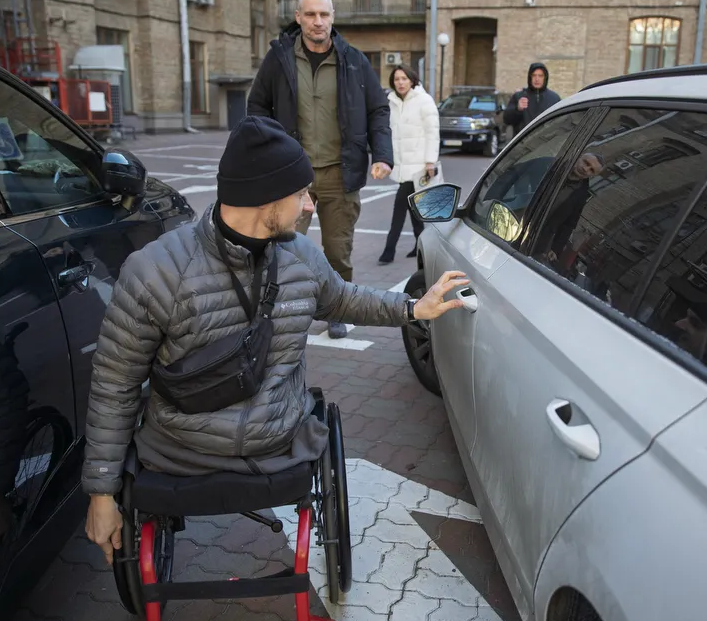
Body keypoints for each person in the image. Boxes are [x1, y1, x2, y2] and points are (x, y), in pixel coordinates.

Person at [82, 116, 468, 565]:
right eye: (301, 194)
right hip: (231, 451)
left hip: (206, 451)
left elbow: (343, 300)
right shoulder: (156, 271)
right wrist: (101, 493)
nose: (309, 206)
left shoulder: (296, 256)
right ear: (267, 197)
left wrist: (412, 308)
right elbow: (115, 383)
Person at [246, 0, 393, 339]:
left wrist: (383, 155)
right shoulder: (279, 58)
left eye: (324, 14)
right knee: (281, 247)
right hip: (291, 176)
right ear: (298, 17)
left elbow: (378, 109)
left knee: (338, 252)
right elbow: (257, 106)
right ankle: (277, 311)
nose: (317, 21)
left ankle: (337, 310)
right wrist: (265, 153)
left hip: (341, 174)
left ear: (332, 17)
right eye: (310, 14)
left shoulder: (354, 60)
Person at [379, 64, 440, 264]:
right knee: (414, 209)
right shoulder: (392, 102)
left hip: (419, 166)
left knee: (399, 208)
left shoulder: (424, 100)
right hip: (401, 165)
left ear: (412, 80)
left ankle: (389, 250)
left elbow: (433, 132)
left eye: (404, 78)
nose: (400, 83)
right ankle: (419, 244)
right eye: (397, 79)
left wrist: (430, 161)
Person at [503, 62, 561, 134]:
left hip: (547, 139)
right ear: (530, 77)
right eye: (534, 75)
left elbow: (561, 122)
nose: (537, 79)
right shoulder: (519, 96)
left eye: (540, 76)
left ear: (545, 77)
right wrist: (517, 109)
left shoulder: (554, 98)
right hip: (525, 139)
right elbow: (506, 120)